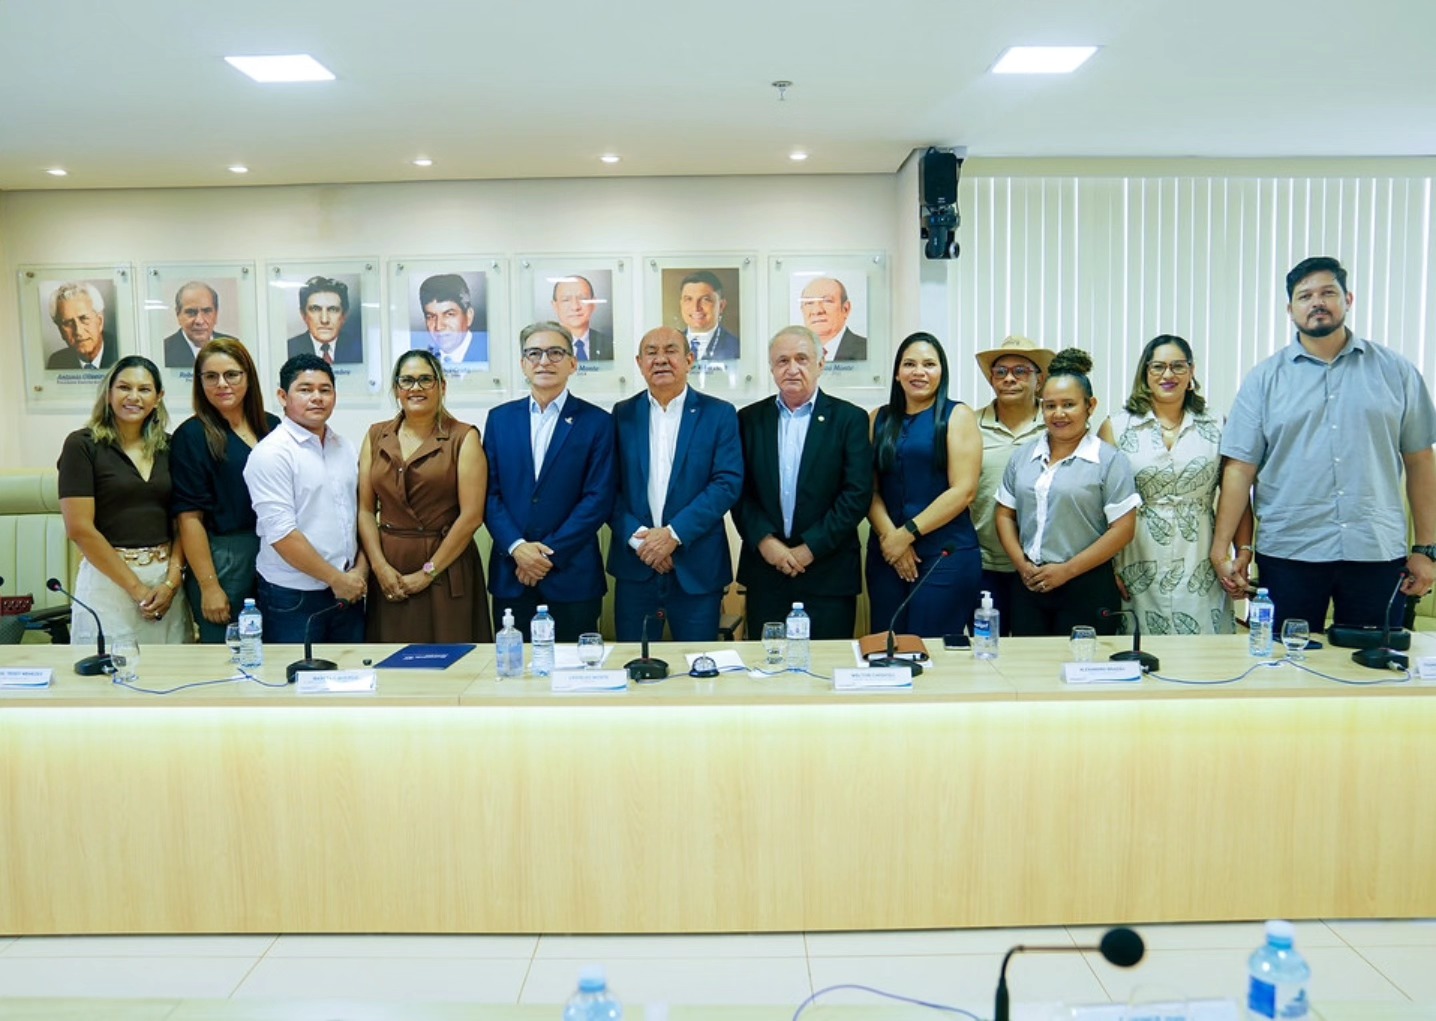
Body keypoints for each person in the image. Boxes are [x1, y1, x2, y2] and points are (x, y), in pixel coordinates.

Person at [1212, 256, 1436, 631]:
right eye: (1305, 296)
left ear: (1348, 299)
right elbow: (1239, 469)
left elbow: (1420, 460)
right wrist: (1224, 548)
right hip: (1289, 552)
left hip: (1375, 550)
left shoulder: (1395, 372)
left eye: (1327, 292)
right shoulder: (1264, 380)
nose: (1317, 302)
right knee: (1285, 660)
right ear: (1290, 309)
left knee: (1374, 660)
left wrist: (1426, 550)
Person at [1099, 335, 1249, 635]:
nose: (1168, 375)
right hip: (1136, 553)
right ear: (1145, 373)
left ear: (1191, 371)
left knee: (1202, 646)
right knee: (1139, 645)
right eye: (1158, 367)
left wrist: (1243, 550)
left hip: (1201, 552)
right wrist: (1106, 570)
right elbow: (1098, 503)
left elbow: (1237, 495)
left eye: (1178, 366)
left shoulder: (1217, 424)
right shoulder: (1116, 427)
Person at [733, 325, 872, 639]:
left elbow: (857, 493)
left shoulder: (850, 419)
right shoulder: (748, 420)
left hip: (828, 573)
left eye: (802, 359)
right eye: (782, 361)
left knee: (826, 664)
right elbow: (738, 491)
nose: (792, 368)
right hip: (767, 571)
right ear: (772, 368)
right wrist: (766, 543)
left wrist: (810, 548)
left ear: (821, 364)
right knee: (767, 662)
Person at [608, 326, 742, 641]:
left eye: (671, 350)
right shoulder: (621, 415)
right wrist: (642, 542)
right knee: (635, 663)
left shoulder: (719, 414)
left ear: (689, 360)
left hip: (697, 565)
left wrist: (673, 535)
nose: (661, 359)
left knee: (698, 662)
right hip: (636, 564)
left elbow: (726, 483)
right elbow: (607, 488)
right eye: (651, 352)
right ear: (639, 363)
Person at [483, 322, 616, 640]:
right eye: (534, 353)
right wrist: (518, 548)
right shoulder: (500, 419)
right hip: (512, 573)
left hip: (572, 576)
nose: (544, 361)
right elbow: (489, 494)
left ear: (573, 363)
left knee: (577, 666)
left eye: (555, 352)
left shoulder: (597, 422)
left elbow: (598, 498)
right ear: (523, 364)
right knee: (514, 665)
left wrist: (546, 555)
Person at [995, 349, 1140, 636]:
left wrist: (1067, 570)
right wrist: (1022, 565)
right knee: (1028, 663)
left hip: (1087, 584)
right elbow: (1004, 515)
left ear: (1090, 406)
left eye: (1069, 404)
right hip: (1030, 584)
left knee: (1083, 663)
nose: (1058, 414)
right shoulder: (1023, 456)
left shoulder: (1109, 461)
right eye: (1050, 405)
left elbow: (1123, 530)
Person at [359, 350, 492, 643]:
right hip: (389, 567)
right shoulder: (376, 435)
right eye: (407, 380)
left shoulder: (463, 437)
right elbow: (366, 510)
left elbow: (471, 517)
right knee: (392, 656)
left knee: (451, 656)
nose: (415, 388)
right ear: (396, 388)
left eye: (425, 380)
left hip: (445, 564)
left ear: (442, 386)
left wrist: (428, 572)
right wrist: (379, 567)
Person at [56, 355, 190, 644]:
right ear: (108, 393)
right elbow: (79, 529)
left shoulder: (171, 446)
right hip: (108, 581)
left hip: (165, 583)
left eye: (144, 389)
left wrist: (171, 582)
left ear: (158, 397)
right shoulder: (82, 445)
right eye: (124, 387)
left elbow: (183, 520)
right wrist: (138, 591)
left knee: (173, 668)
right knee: (110, 669)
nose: (133, 397)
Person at [243, 354, 367, 643]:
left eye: (325, 390)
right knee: (297, 672)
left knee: (350, 670)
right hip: (294, 596)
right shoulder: (271, 453)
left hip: (348, 589)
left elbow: (357, 514)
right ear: (282, 396)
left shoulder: (344, 446)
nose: (317, 398)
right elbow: (282, 533)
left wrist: (360, 571)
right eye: (305, 389)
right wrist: (336, 579)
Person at [865, 332, 982, 637]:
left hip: (945, 554)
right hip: (887, 554)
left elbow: (964, 490)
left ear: (942, 372)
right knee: (886, 647)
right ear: (897, 373)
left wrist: (906, 534)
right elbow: (868, 489)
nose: (919, 372)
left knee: (931, 648)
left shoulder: (957, 415)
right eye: (909, 364)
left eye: (929, 364)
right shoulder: (877, 418)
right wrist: (892, 539)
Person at [169, 339, 278, 643]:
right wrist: (209, 586)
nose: (221, 384)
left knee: (276, 649)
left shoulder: (272, 426)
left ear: (248, 377)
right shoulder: (191, 435)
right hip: (224, 559)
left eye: (231, 374)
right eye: (211, 376)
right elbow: (189, 517)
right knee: (230, 653)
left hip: (275, 552)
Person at [972, 336, 1053, 632]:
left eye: (1020, 371)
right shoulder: (969, 424)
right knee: (986, 647)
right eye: (1000, 372)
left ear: (1039, 380)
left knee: (1033, 650)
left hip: (1042, 566)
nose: (1009, 378)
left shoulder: (1058, 422)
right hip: (983, 561)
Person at [286, 276, 363, 363]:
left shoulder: (359, 347)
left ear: (344, 315)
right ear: (303, 314)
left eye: (333, 309)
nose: (324, 320)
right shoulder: (289, 348)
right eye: (315, 309)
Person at [416, 273, 488, 366]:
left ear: (469, 316)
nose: (438, 327)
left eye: (449, 314)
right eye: (431, 317)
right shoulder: (421, 360)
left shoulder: (491, 353)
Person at [162, 282, 237, 369]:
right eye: (191, 312)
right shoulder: (165, 350)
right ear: (178, 315)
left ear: (216, 314)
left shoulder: (233, 346)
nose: (199, 321)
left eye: (206, 311)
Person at [46, 282, 117, 370]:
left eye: (84, 319)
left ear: (100, 322)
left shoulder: (120, 350)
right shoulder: (57, 362)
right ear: (60, 330)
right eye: (68, 323)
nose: (78, 331)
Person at [799, 277, 867, 362]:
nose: (817, 310)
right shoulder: (795, 351)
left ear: (845, 309)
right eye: (809, 302)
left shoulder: (866, 350)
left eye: (827, 301)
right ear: (802, 310)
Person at [679, 271, 740, 361]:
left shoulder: (737, 349)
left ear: (721, 306)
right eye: (688, 299)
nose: (696, 308)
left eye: (705, 299)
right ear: (681, 304)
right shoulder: (671, 344)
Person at [550, 276, 611, 361]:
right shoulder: (546, 344)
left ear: (593, 304)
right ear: (555, 306)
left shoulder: (610, 344)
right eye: (566, 300)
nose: (575, 307)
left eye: (583, 299)